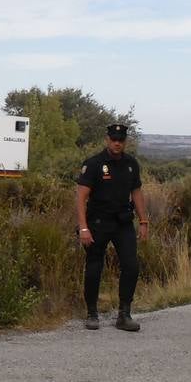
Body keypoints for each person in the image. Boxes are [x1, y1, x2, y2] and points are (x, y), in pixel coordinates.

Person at [75, 123, 150, 331]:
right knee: (94, 267)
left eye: (121, 140)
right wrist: (83, 228)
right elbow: (81, 197)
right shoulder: (94, 164)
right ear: (107, 140)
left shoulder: (131, 164)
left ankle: (124, 315)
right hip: (97, 223)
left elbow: (136, 193)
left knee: (131, 265)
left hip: (122, 222)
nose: (117, 143)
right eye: (114, 139)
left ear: (125, 141)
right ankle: (92, 314)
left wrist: (143, 221)